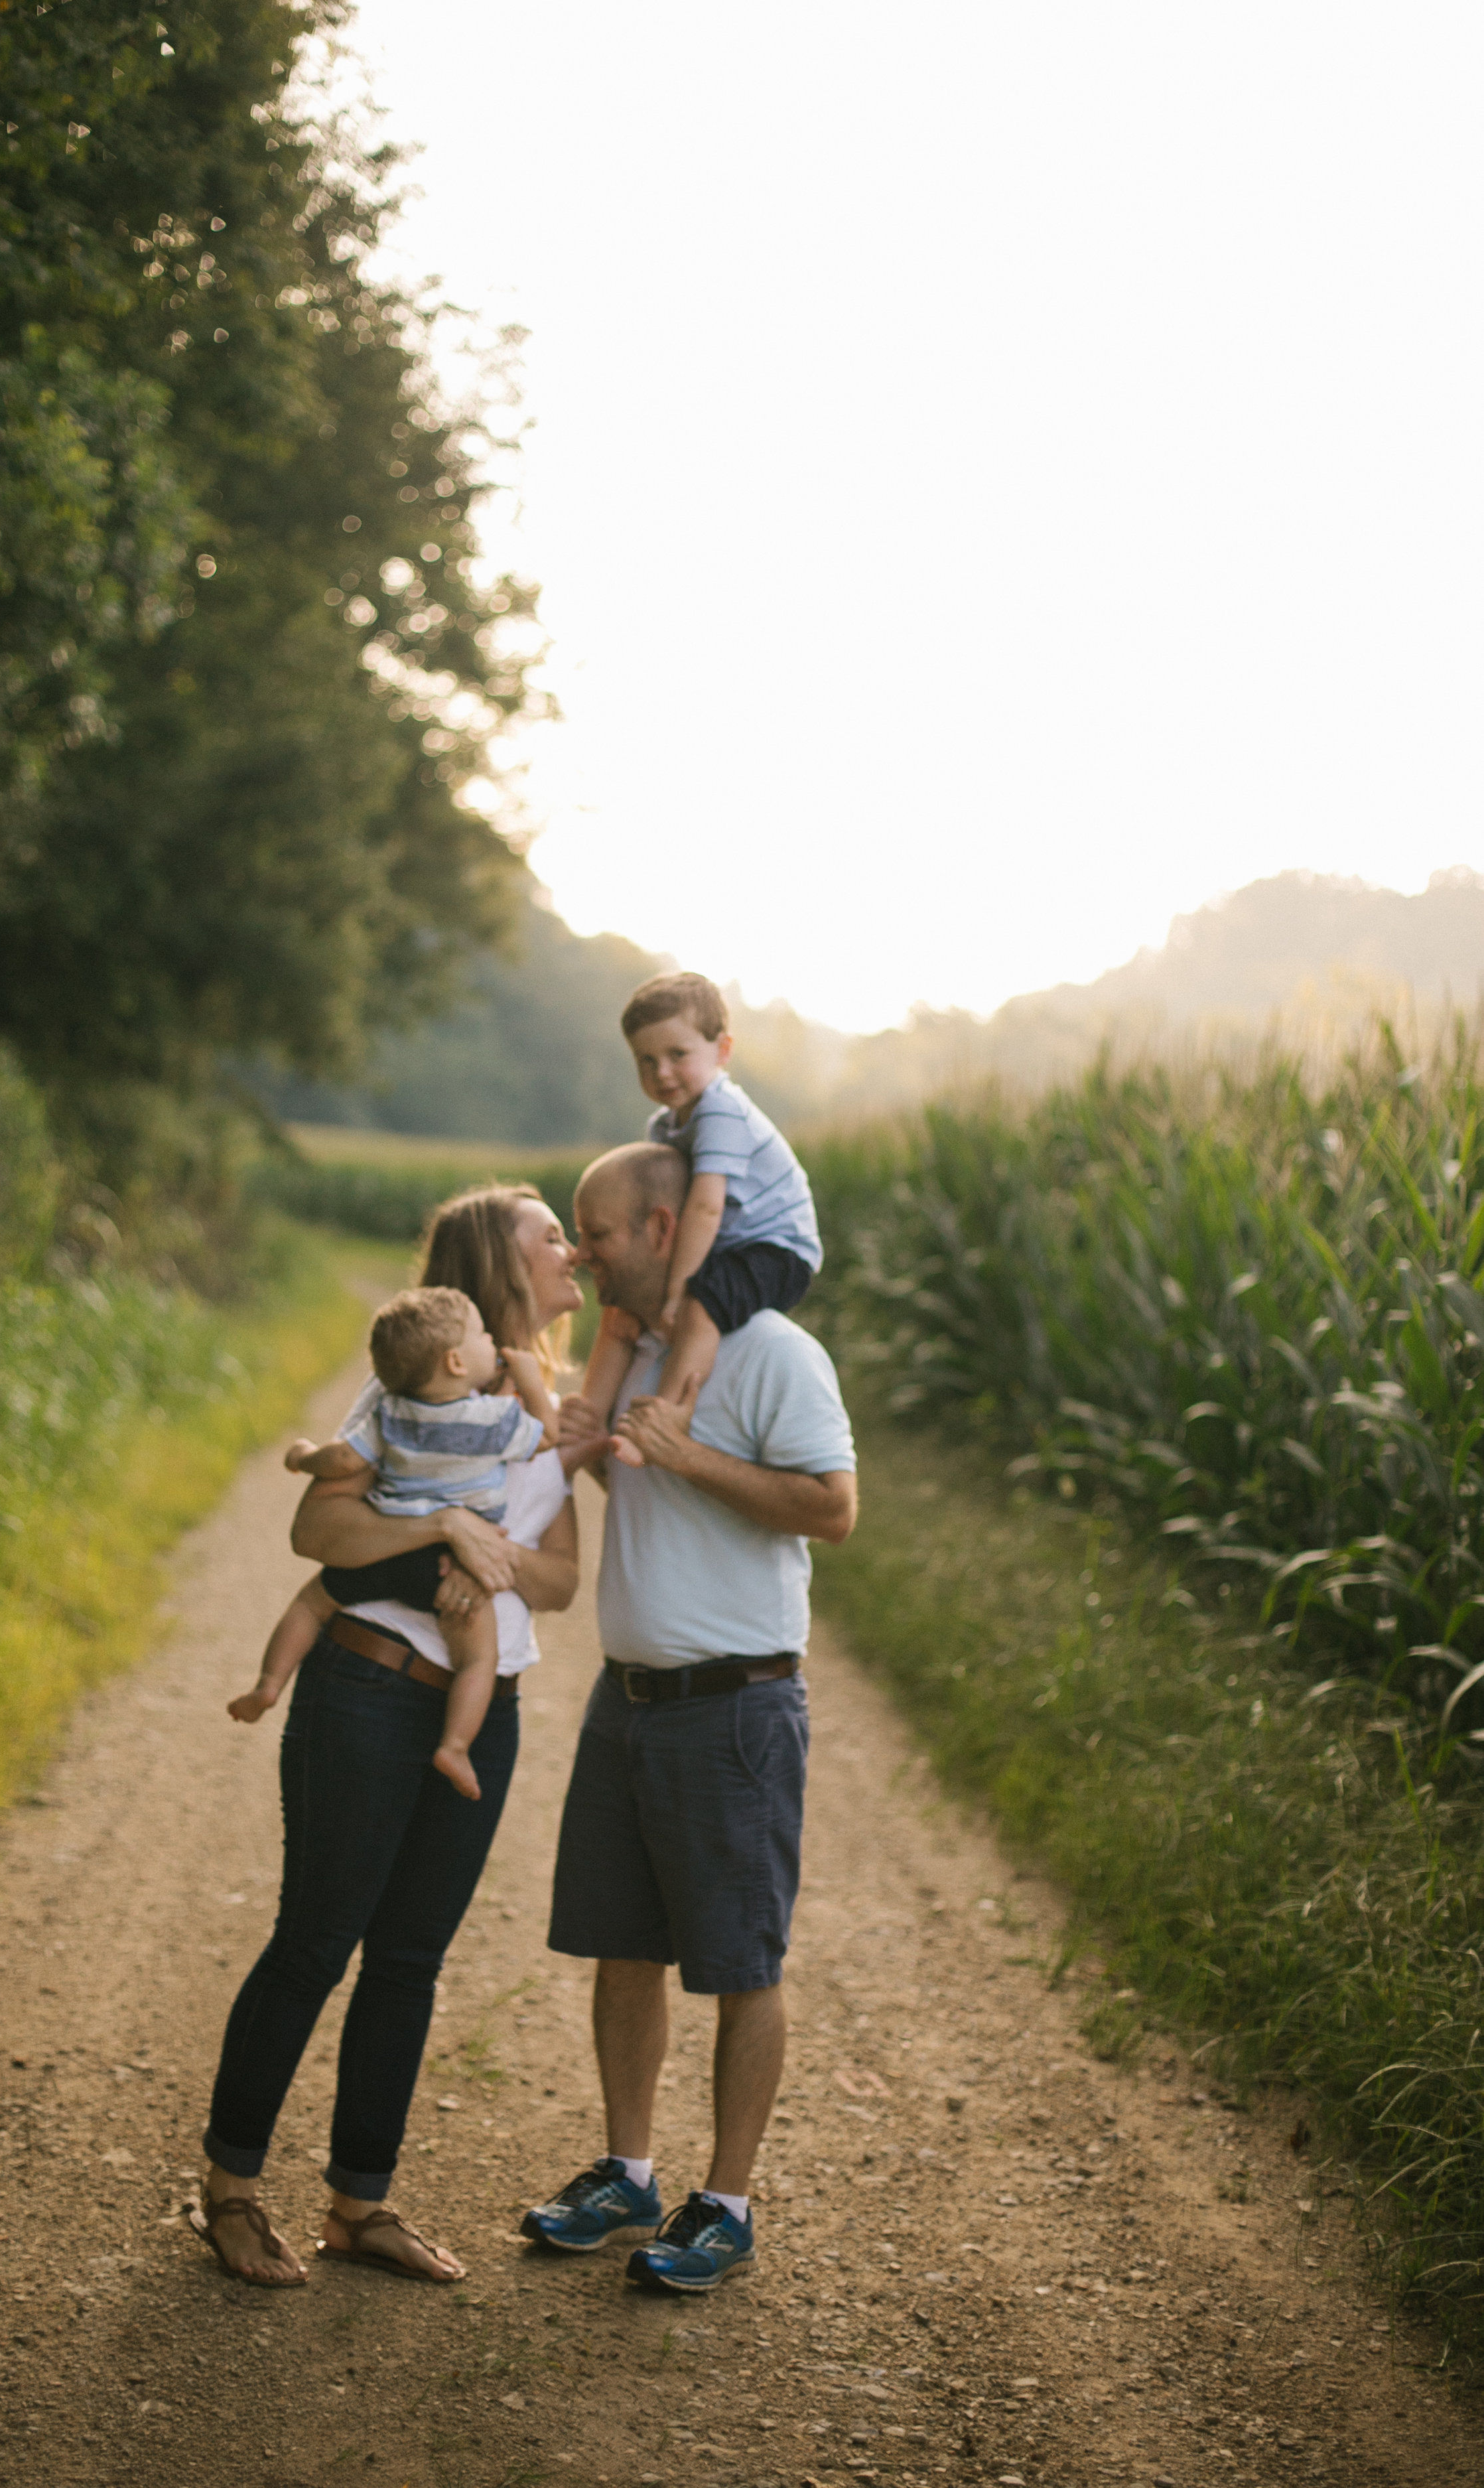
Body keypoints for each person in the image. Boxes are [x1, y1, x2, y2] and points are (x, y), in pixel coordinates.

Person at [189, 1185, 583, 2288]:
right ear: (493, 1270)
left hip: (479, 1704)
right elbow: (317, 1526)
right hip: (365, 1692)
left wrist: (486, 1562)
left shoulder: (546, 1413)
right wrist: (440, 1530)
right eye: (549, 1235)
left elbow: (558, 1576)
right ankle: (228, 2194)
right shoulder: (411, 1392)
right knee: (316, 1940)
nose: (572, 1249)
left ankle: (359, 2206)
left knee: (409, 1961)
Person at [523, 1141, 856, 2292]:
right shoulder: (641, 1353)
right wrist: (600, 1448)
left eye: (597, 1232)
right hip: (627, 1705)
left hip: (736, 1711)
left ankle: (727, 2203)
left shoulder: (775, 1356)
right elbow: (646, 1485)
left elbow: (834, 1508)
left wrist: (690, 1455)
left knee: (740, 1963)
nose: (581, 1251)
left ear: (665, 1232)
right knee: (624, 1948)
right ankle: (629, 2173)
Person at [228, 1287, 557, 1799]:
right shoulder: (494, 1420)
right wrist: (532, 1382)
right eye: (482, 1334)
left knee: (313, 1603)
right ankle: (455, 1745)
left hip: (389, 1546)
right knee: (478, 1658)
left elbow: (343, 1462)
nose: (491, 1339)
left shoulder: (392, 1412)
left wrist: (303, 1456)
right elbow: (548, 1436)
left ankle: (269, 1682)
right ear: (455, 1360)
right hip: (450, 1567)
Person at [576, 972, 823, 1466]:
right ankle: (587, 1420)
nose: (662, 1073)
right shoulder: (663, 1125)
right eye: (646, 1061)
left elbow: (706, 1207)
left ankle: (667, 1416)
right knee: (624, 1304)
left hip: (777, 1247)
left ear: (723, 1050)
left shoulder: (722, 1113)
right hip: (727, 1242)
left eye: (677, 1055)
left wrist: (675, 1291)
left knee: (701, 1303)